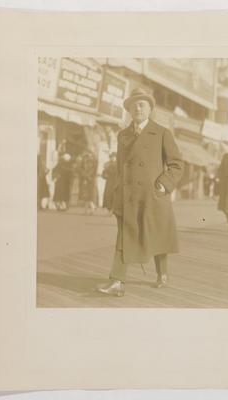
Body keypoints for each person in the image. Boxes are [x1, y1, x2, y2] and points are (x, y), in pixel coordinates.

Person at [98, 87, 184, 297]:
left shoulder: (162, 133)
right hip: (128, 197)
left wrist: (163, 185)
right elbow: (120, 168)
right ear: (128, 109)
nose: (137, 107)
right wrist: (115, 195)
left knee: (157, 235)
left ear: (150, 108)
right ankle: (117, 281)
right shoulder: (122, 135)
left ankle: (162, 273)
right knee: (124, 237)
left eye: (142, 104)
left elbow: (177, 164)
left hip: (152, 196)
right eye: (133, 104)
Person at [79, 150, 98, 215]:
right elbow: (81, 169)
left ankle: (92, 208)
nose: (89, 156)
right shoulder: (83, 162)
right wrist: (84, 175)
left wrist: (87, 176)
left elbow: (93, 171)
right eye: (88, 155)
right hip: (85, 180)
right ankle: (86, 210)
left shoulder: (94, 162)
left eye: (90, 155)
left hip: (90, 180)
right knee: (85, 196)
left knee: (90, 195)